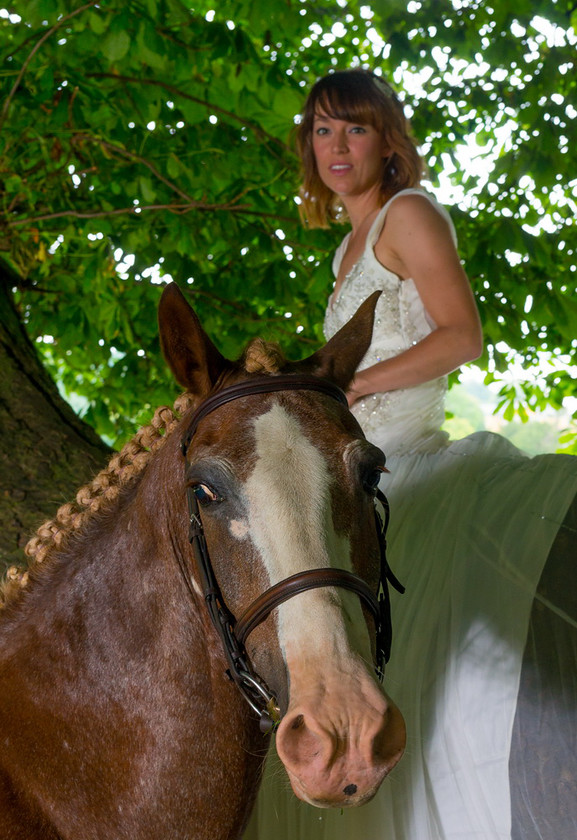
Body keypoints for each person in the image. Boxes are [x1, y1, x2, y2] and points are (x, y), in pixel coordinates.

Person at [244, 70, 577, 840]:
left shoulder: (408, 216)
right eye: (322, 130)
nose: (336, 145)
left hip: (410, 465)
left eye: (354, 128)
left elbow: (462, 335)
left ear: (385, 141)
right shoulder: (345, 250)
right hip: (360, 472)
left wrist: (348, 387)